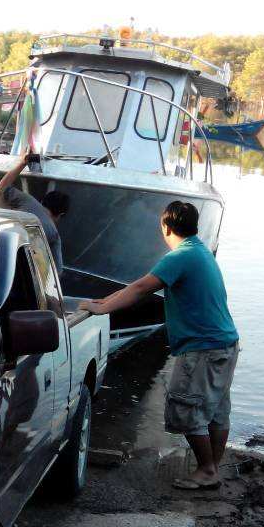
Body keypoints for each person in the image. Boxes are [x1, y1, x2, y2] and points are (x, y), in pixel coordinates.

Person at [84, 201, 239, 491]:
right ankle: (211, 469)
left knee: (185, 408)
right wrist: (104, 302)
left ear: (166, 227)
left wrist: (101, 310)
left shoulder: (180, 256)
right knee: (216, 410)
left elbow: (142, 288)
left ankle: (206, 471)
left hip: (203, 348)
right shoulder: (200, 251)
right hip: (225, 343)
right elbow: (137, 285)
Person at [0, 152, 70, 272]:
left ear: (42, 201)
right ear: (61, 215)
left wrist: (22, 163)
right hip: (15, 264)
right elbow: (58, 271)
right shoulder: (54, 234)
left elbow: (1, 188)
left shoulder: (27, 199)